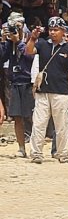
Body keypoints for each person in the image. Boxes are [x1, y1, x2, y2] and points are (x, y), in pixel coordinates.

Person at [26, 17, 68, 164]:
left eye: (56, 30)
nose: (53, 32)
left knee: (62, 124)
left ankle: (62, 153)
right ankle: (36, 152)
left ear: (63, 31)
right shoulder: (43, 44)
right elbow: (29, 51)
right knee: (39, 123)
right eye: (51, 30)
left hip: (62, 91)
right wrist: (32, 38)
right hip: (43, 90)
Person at [1, 13, 34, 157]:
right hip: (15, 81)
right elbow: (2, 58)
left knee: (32, 116)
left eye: (18, 26)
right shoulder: (10, 41)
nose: (15, 29)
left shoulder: (30, 37)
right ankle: (21, 147)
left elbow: (29, 56)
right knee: (17, 117)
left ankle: (34, 146)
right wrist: (5, 41)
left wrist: (19, 41)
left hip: (28, 82)